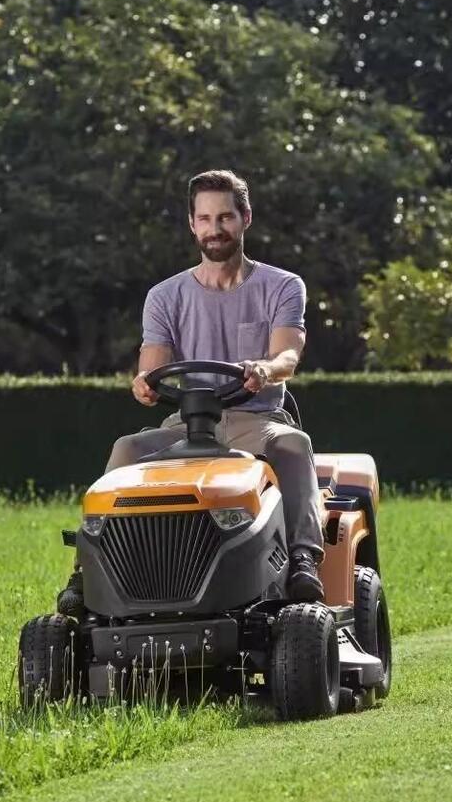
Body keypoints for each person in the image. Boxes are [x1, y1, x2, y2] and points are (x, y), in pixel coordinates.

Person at [102, 169, 325, 602]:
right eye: (204, 219)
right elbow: (151, 367)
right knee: (127, 449)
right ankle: (94, 569)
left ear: (245, 218)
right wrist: (144, 384)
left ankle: (302, 559)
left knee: (294, 444)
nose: (214, 229)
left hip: (256, 419)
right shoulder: (165, 296)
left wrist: (265, 369)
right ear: (192, 224)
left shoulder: (282, 286)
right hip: (187, 423)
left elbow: (287, 356)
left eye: (224, 217)